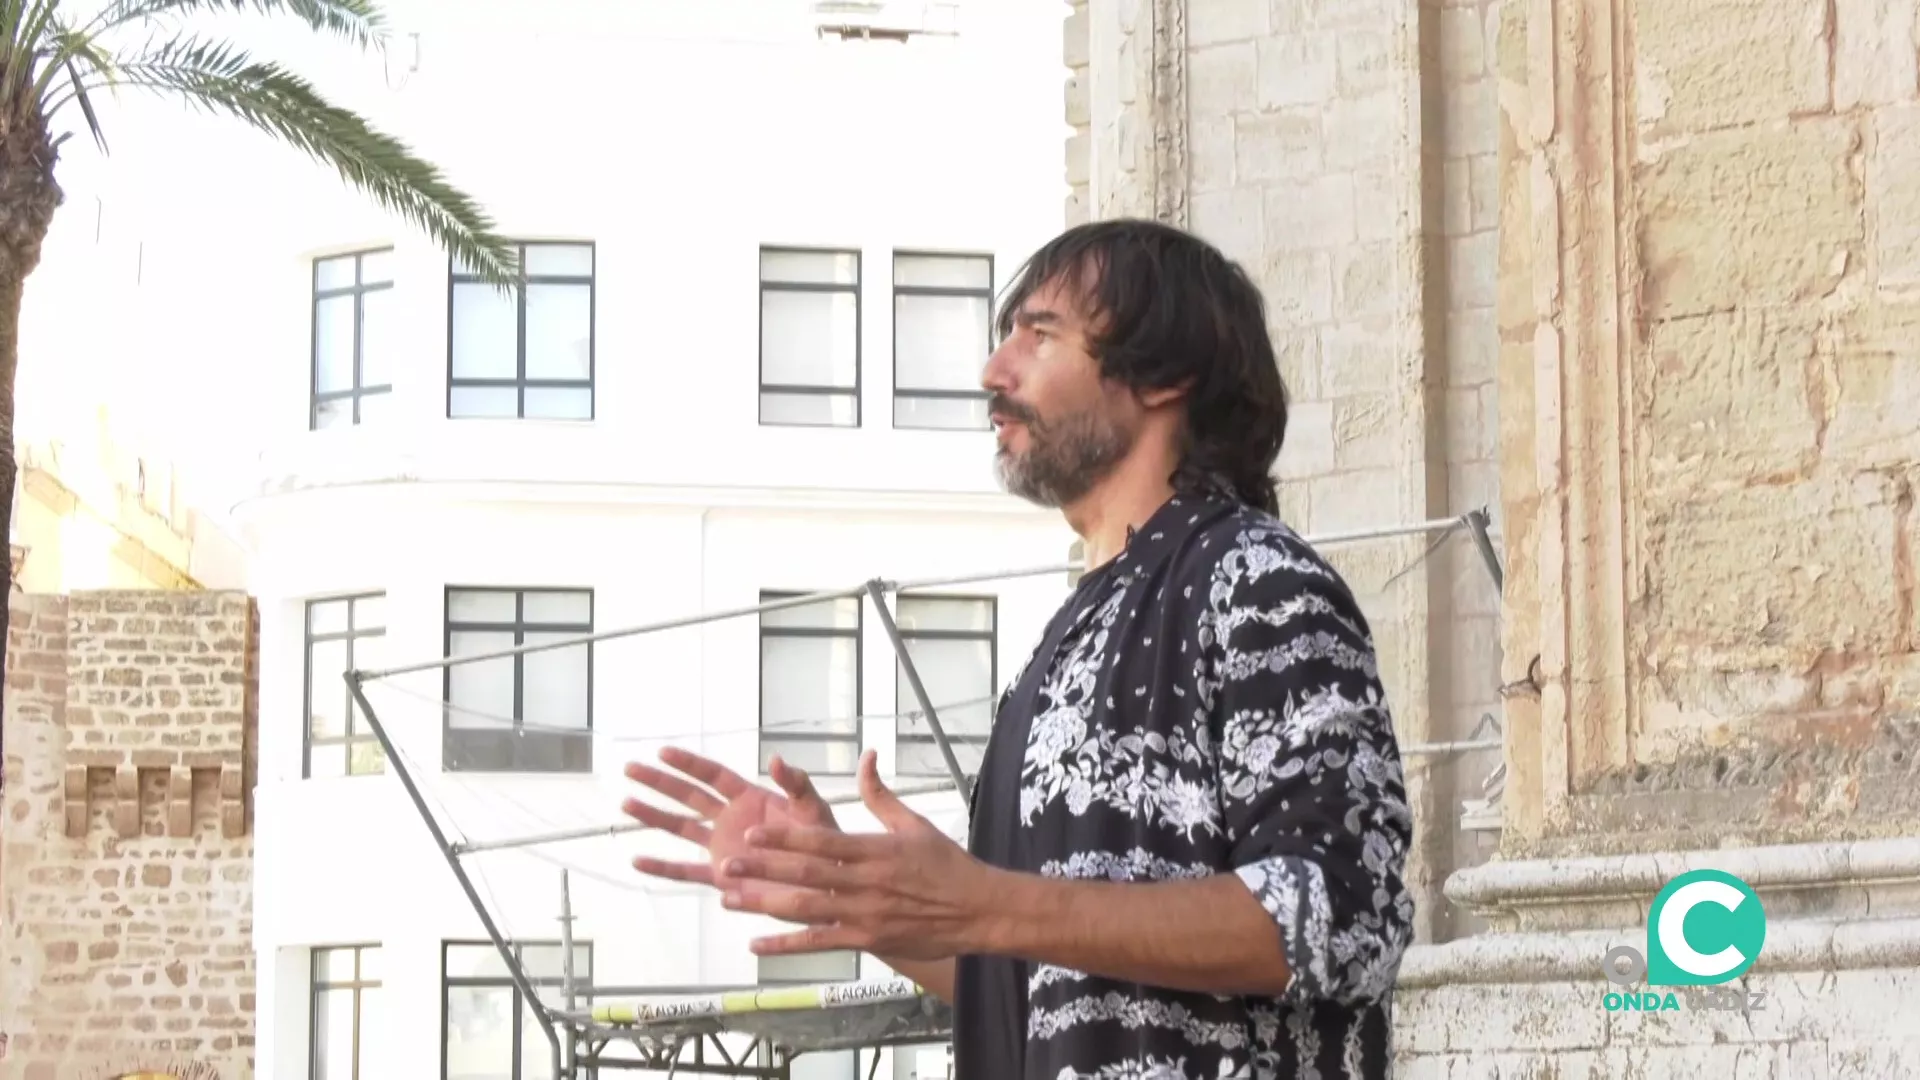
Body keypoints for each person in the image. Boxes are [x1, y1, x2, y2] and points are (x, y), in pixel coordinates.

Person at [623, 218, 1415, 1079]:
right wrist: (861, 895)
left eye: (1039, 336)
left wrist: (986, 902)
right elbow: (1034, 983)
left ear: (1165, 377)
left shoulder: (1257, 580)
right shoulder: (1068, 638)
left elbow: (1341, 914)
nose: (993, 373)